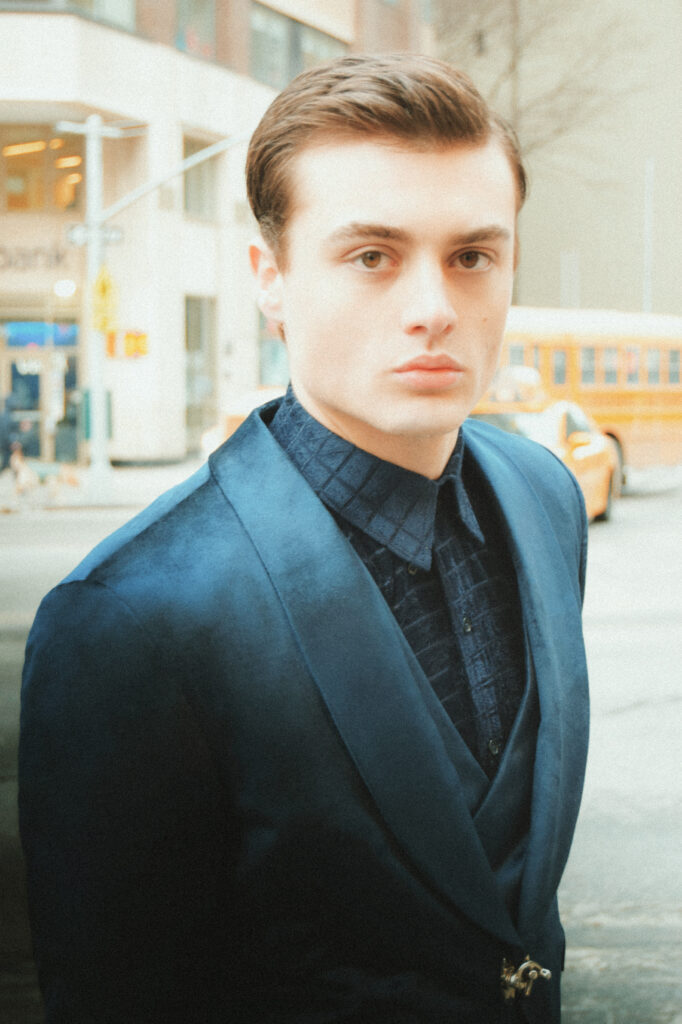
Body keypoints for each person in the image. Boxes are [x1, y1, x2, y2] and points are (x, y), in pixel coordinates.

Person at [19, 54, 589, 1023]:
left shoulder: (545, 495)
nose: (434, 307)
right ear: (269, 279)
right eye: (372, 255)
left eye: (472, 255)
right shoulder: (129, 617)